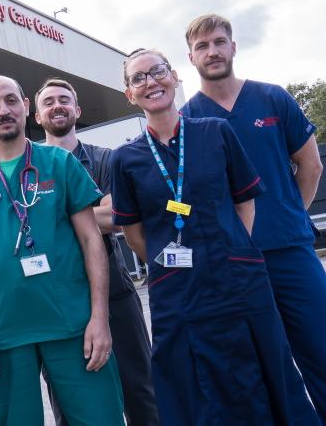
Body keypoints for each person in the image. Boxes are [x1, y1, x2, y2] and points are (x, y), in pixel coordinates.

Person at [110, 48, 319, 425]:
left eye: (157, 71)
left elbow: (245, 205)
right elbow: (135, 234)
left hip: (238, 278)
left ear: (174, 76)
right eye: (138, 78)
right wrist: (171, 261)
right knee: (190, 380)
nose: (150, 82)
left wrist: (231, 250)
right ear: (129, 94)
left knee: (266, 367)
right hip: (177, 290)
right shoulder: (126, 159)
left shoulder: (215, 132)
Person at [0, 75, 124, 426]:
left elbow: (91, 241)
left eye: (10, 101)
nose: (3, 110)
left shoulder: (60, 164)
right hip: (3, 332)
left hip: (73, 323)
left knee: (102, 417)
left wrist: (99, 318)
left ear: (26, 106)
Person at [181, 13, 326, 421]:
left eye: (219, 42)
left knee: (320, 349)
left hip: (291, 251)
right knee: (265, 368)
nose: (213, 51)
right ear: (190, 57)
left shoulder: (273, 98)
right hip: (235, 265)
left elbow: (310, 165)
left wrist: (288, 213)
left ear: (233, 46)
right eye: (203, 46)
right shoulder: (189, 119)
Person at [34, 78, 160, 426]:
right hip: (57, 299)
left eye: (64, 99)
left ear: (77, 110)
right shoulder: (30, 169)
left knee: (140, 389)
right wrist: (89, 215)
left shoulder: (107, 159)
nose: (57, 105)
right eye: (48, 102)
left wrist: (51, 216)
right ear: (38, 114)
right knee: (69, 400)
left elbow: (117, 216)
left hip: (115, 294)